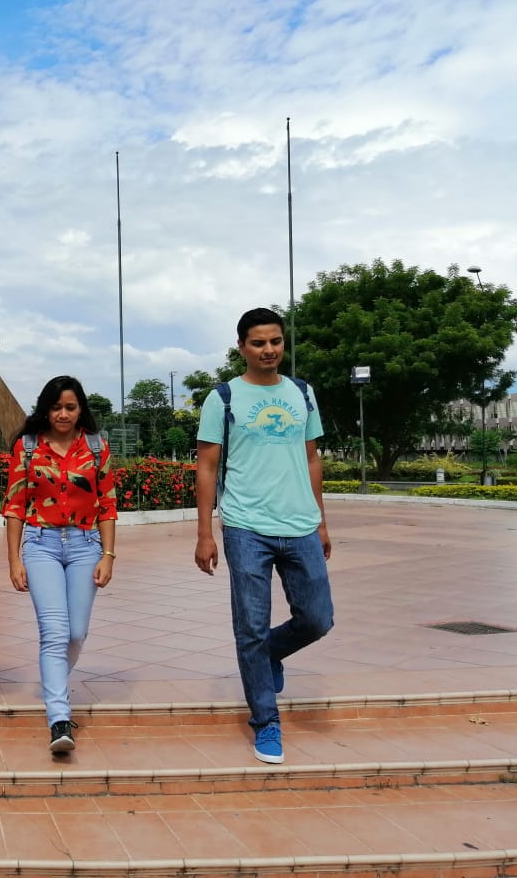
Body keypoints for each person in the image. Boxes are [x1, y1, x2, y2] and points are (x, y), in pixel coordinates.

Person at [194, 307, 334, 764]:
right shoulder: (224, 398)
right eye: (258, 343)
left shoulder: (302, 393)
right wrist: (204, 533)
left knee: (317, 618)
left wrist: (321, 519)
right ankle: (266, 722)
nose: (269, 350)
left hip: (299, 524)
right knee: (249, 625)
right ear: (242, 347)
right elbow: (207, 467)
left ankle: (270, 652)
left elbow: (312, 458)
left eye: (275, 341)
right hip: (244, 526)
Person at [3, 376, 117, 755]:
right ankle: (58, 717)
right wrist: (14, 558)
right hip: (41, 544)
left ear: (80, 408)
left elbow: (108, 503)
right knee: (54, 631)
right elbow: (15, 504)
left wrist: (108, 555)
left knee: (76, 633)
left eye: (70, 407)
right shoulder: (28, 446)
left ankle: (53, 684)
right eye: (56, 407)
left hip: (86, 545)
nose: (63, 414)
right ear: (45, 409)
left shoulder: (97, 447)